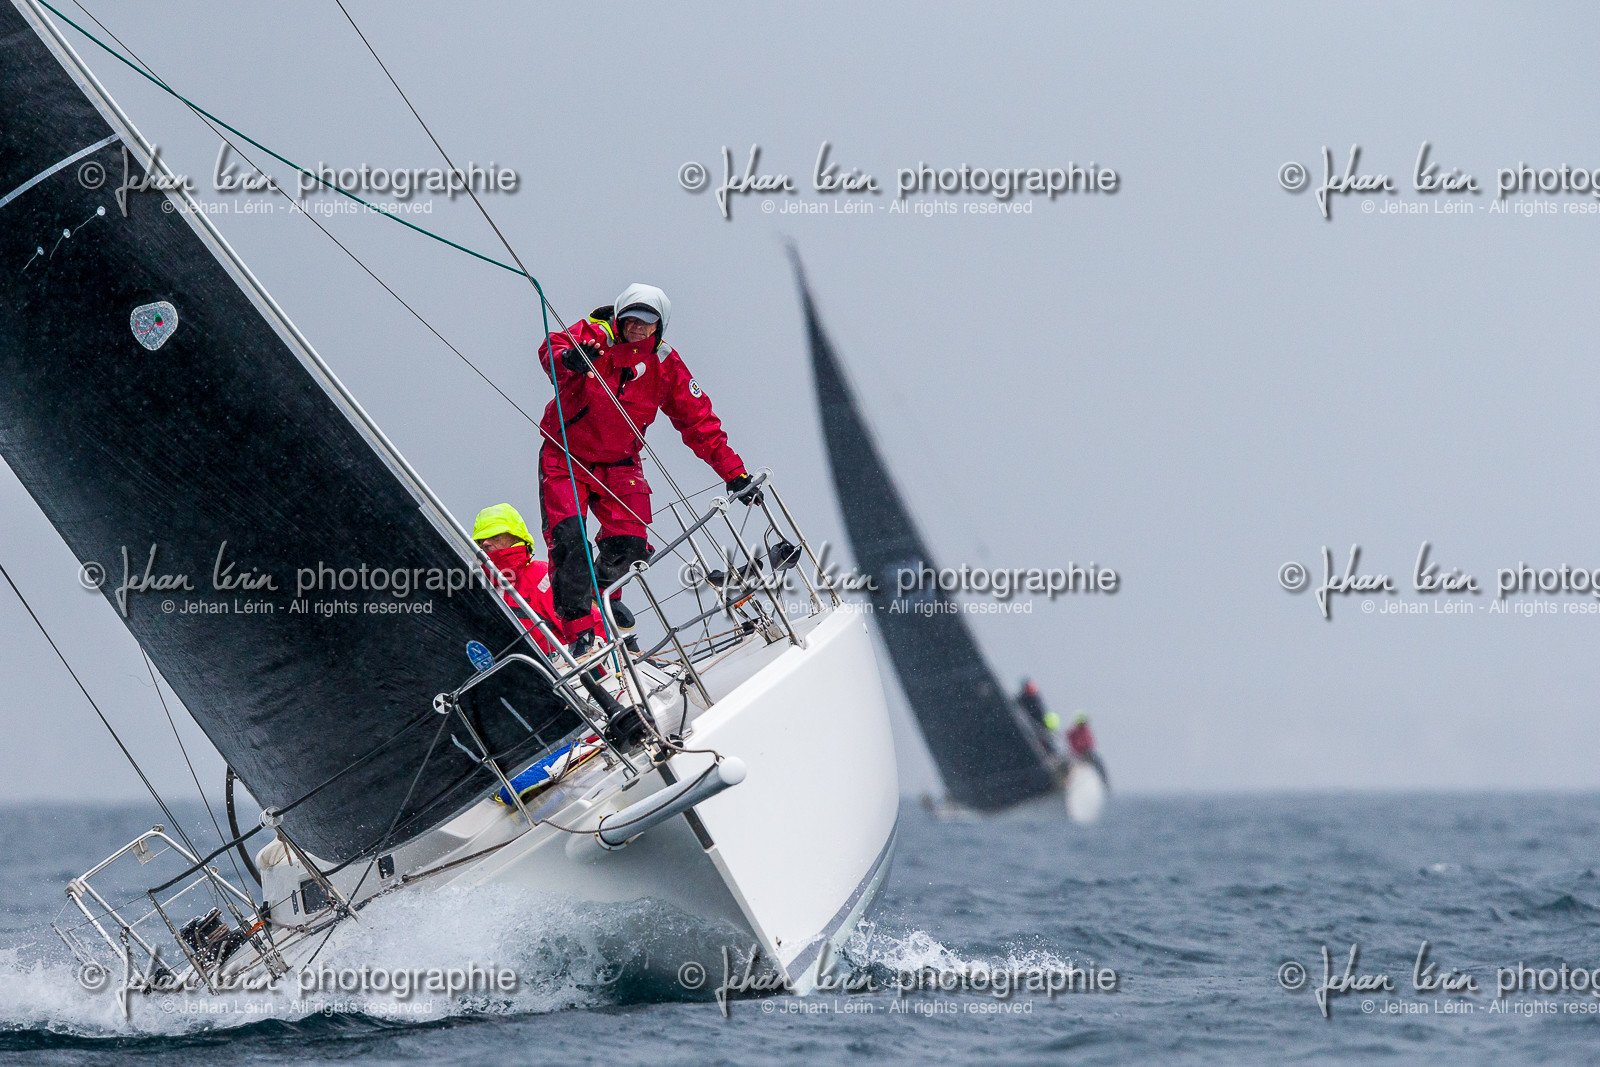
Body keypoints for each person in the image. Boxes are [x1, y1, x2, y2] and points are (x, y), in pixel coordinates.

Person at [537, 283, 759, 624]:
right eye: (631, 319)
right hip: (566, 458)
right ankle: (577, 631)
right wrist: (569, 360)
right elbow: (553, 348)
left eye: (647, 321)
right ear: (619, 318)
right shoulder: (594, 336)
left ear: (660, 326)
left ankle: (601, 600)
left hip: (621, 464)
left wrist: (735, 474)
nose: (637, 327)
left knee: (630, 546)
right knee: (569, 542)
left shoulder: (665, 364)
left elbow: (698, 421)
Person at [472, 503, 601, 656]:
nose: (485, 543)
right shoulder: (481, 591)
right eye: (481, 540)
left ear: (515, 537)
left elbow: (591, 626)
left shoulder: (541, 577)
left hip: (565, 671)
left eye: (494, 536)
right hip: (517, 675)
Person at [1066, 713, 1110, 789]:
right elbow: (1086, 743)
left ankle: (1104, 784)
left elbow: (1090, 743)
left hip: (1084, 753)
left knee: (1098, 765)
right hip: (1080, 754)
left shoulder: (1082, 731)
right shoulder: (1075, 732)